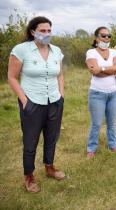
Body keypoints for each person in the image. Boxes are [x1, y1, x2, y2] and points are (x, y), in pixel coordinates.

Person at [7, 16, 65, 193]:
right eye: (42, 30)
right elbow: (11, 77)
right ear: (33, 32)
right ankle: (29, 176)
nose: (46, 34)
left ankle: (49, 167)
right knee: (30, 141)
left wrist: (61, 95)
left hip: (54, 101)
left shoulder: (56, 51)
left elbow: (60, 74)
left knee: (51, 137)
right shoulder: (21, 50)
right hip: (32, 102)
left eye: (49, 30)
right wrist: (24, 99)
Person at [85, 26, 116, 159]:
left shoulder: (114, 52)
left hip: (113, 93)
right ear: (96, 38)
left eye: (108, 36)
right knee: (97, 123)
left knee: (111, 123)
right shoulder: (91, 52)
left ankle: (113, 145)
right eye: (103, 35)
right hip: (97, 94)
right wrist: (111, 70)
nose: (106, 38)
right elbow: (95, 72)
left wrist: (102, 68)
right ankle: (91, 148)